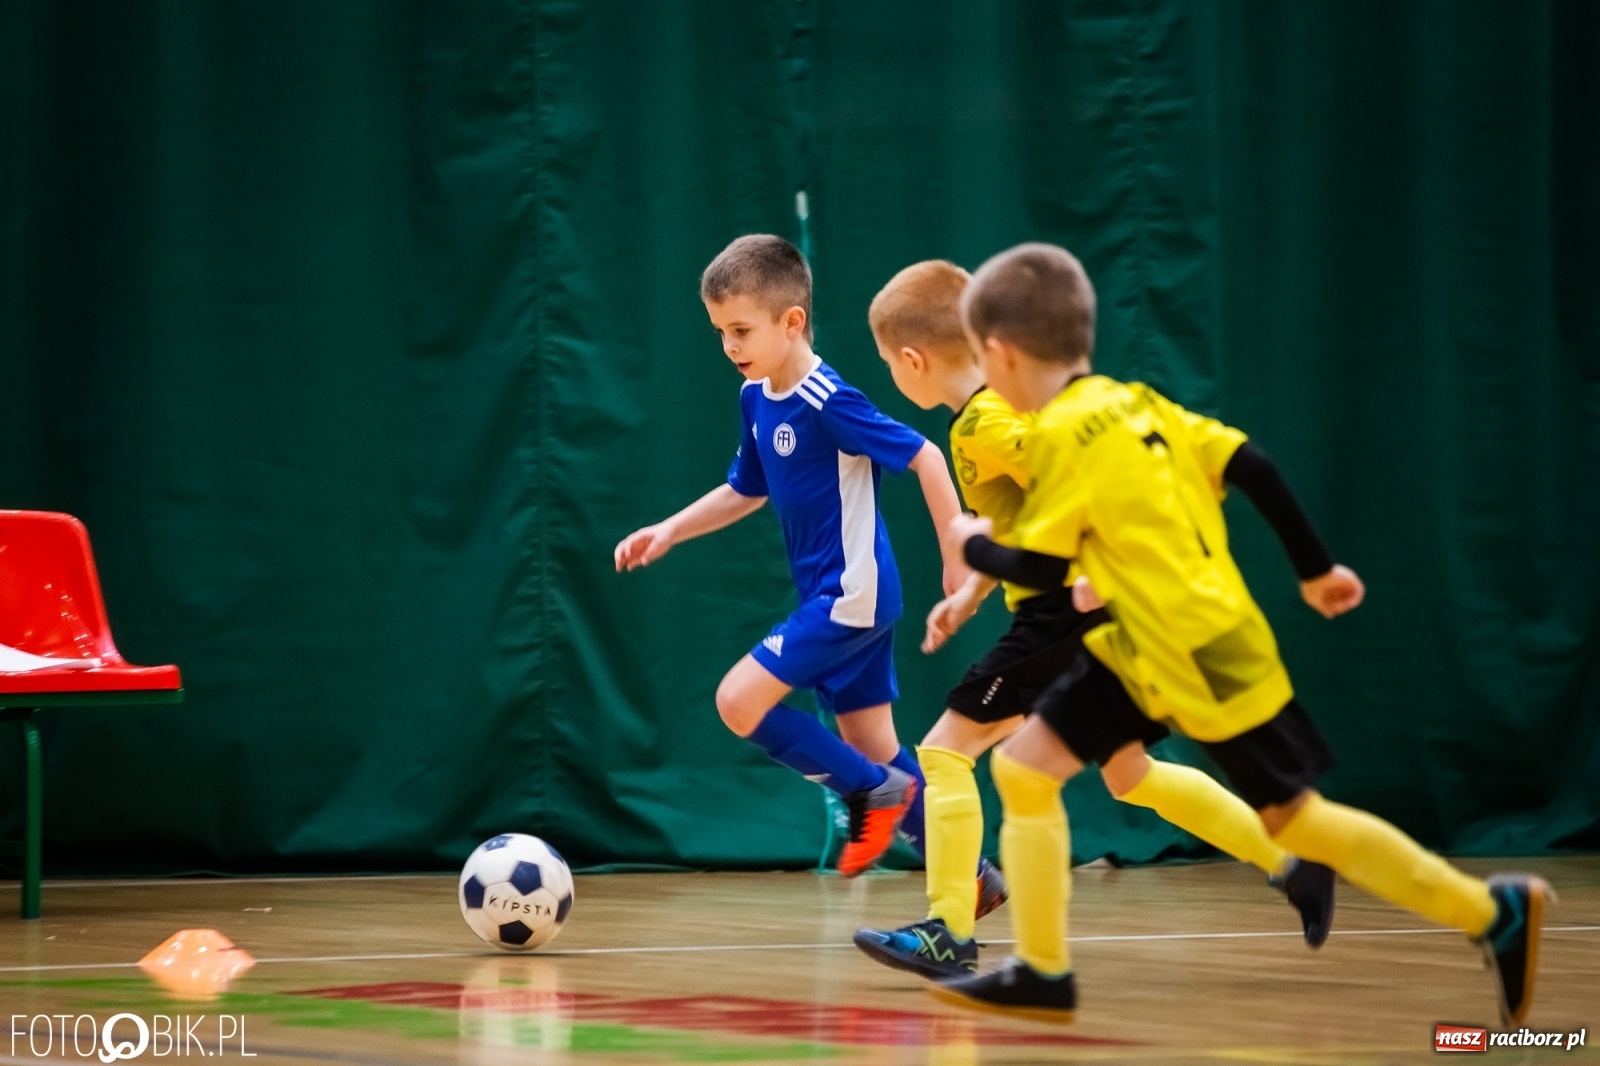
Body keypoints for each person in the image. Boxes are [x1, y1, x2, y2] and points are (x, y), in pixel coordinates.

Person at [933, 242, 1548, 1026]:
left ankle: (1493, 913)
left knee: (1301, 821)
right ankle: (1045, 973)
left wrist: (972, 543)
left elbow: (1044, 567)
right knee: (1025, 769)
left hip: (1197, 650)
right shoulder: (1140, 402)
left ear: (998, 353)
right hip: (1140, 643)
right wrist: (1315, 568)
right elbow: (1251, 463)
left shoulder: (1059, 432)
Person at [851, 259, 1334, 982]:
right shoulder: (997, 413)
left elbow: (1065, 474)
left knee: (946, 751)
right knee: (1130, 772)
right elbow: (1032, 518)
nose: (892, 373)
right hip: (1097, 611)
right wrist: (969, 595)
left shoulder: (983, 423)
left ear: (913, 361)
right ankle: (1292, 860)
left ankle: (949, 927)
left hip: (1059, 618)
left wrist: (1083, 564)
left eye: (888, 362)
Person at [615, 234, 967, 876]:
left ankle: (871, 793)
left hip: (851, 593)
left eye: (742, 330)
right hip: (840, 596)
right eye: (720, 331)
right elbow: (746, 490)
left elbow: (926, 455)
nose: (729, 346)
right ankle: (971, 877)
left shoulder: (826, 400)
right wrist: (669, 529)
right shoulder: (756, 397)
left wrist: (955, 552)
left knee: (737, 701)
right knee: (874, 744)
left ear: (793, 321)